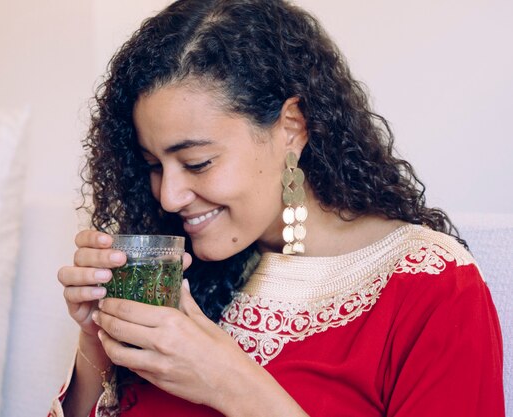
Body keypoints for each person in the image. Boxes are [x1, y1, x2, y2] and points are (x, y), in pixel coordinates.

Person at [49, 0, 504, 416]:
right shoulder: (179, 276)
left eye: (197, 162)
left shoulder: (430, 289)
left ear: (291, 127)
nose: (169, 196)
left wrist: (232, 384)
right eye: (153, 166)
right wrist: (96, 337)